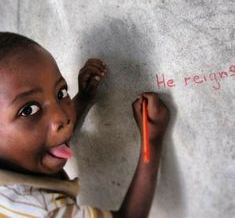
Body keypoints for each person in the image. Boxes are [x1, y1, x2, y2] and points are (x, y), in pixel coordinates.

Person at [0, 32, 169, 218]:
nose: (62, 117)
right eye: (28, 110)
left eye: (60, 93)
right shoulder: (46, 211)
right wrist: (151, 139)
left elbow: (52, 137)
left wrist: (84, 97)